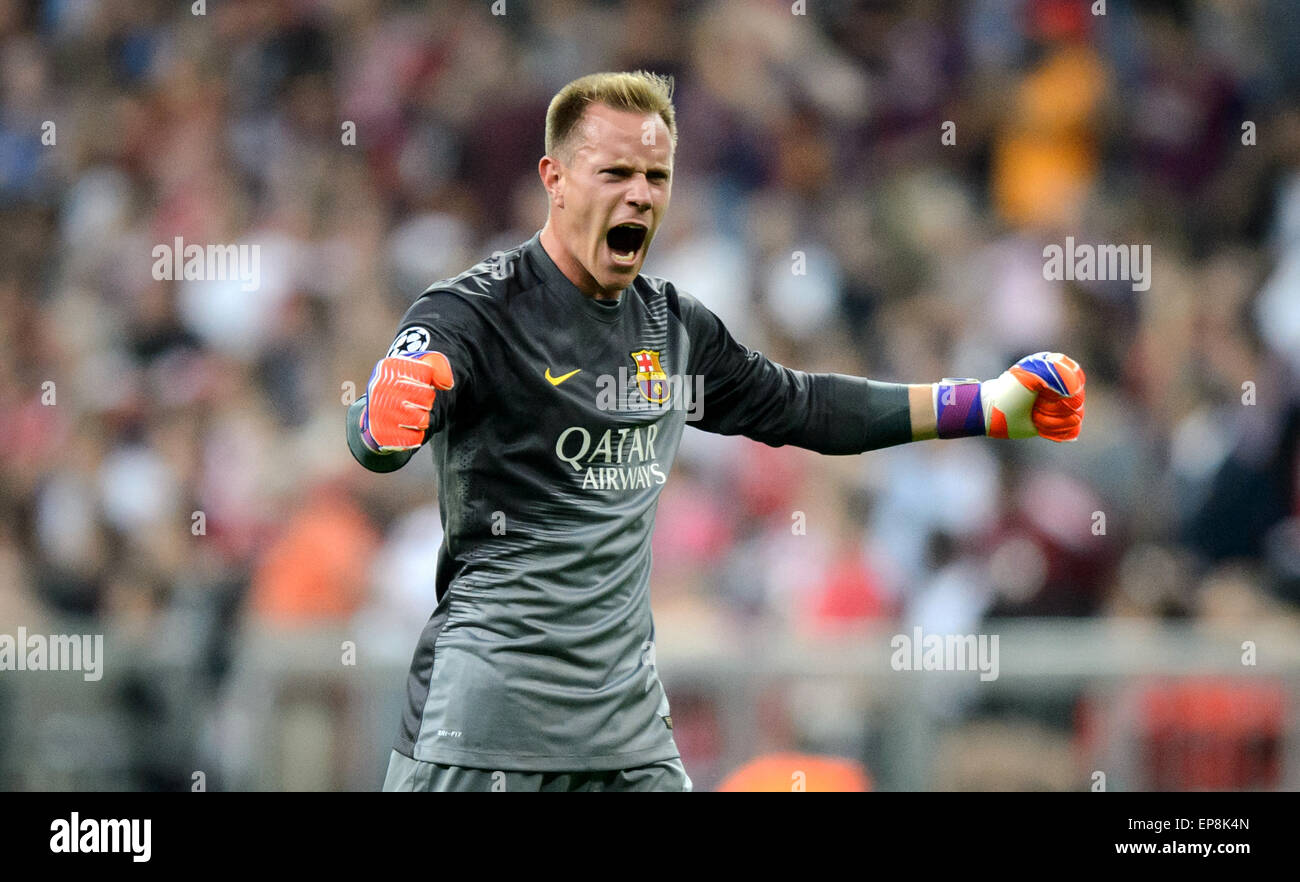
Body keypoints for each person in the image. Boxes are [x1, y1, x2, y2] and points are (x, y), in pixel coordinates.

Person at [347, 71, 1086, 792]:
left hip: (624, 729)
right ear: (556, 177)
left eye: (656, 175)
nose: (640, 193)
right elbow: (386, 425)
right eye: (615, 172)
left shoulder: (673, 329)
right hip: (484, 723)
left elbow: (807, 408)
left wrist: (984, 406)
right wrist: (380, 424)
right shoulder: (474, 313)